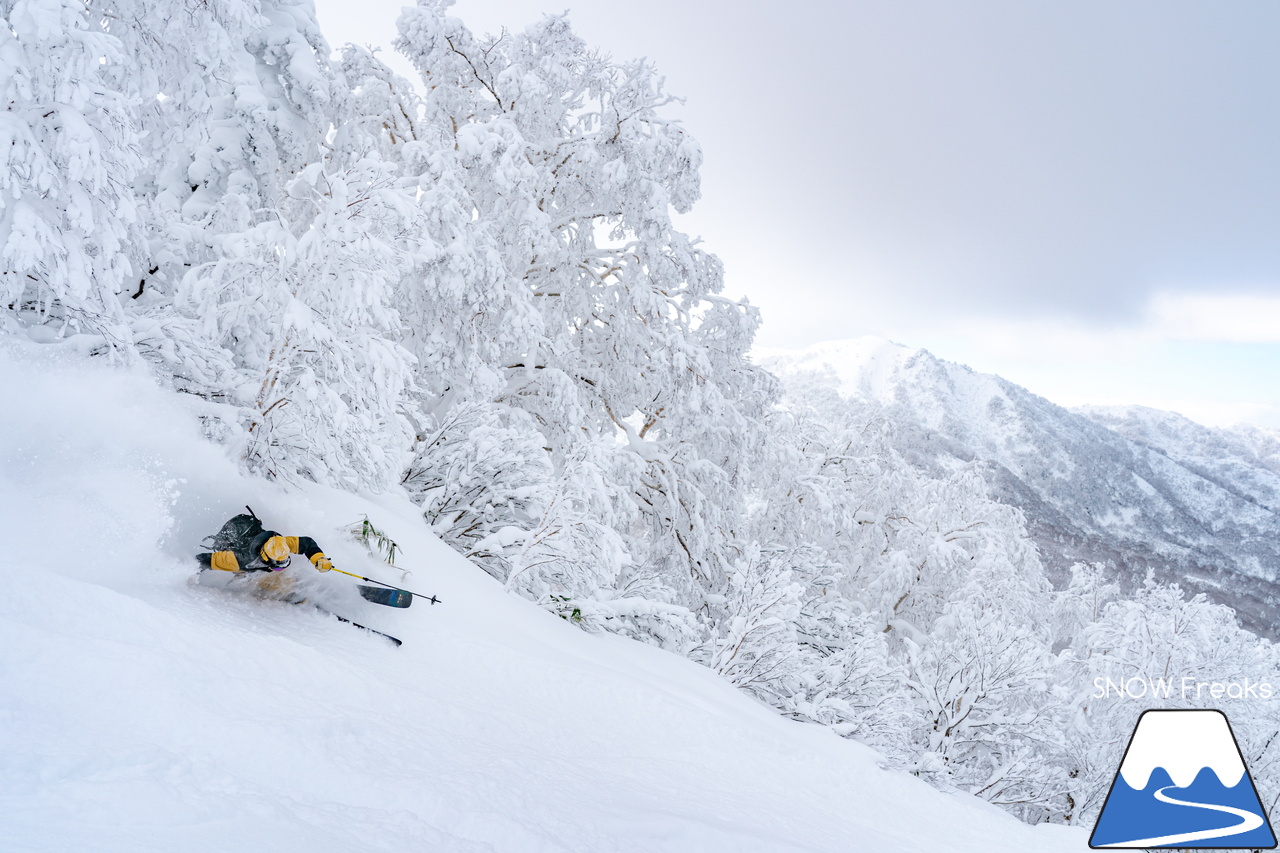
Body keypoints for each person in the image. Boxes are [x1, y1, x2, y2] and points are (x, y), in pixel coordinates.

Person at [196, 508, 335, 576]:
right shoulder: (237, 559)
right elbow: (202, 559)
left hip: (254, 556)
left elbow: (307, 543)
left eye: (285, 562)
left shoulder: (281, 543)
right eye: (278, 567)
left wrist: (319, 559)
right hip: (242, 561)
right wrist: (188, 572)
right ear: (265, 558)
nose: (281, 567)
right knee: (247, 574)